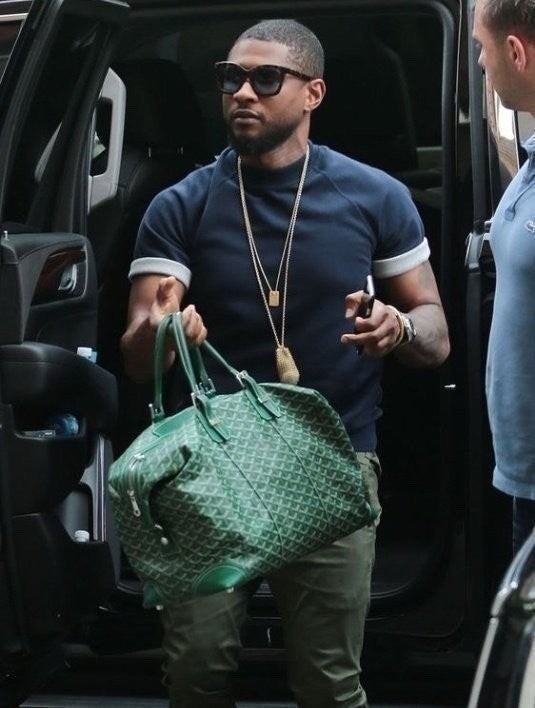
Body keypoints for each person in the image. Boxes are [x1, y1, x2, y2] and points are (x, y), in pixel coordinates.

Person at [121, 18, 450, 708]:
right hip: (211, 467)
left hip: (332, 457)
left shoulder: (373, 196)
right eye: (230, 78)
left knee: (329, 683)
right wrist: (165, 329)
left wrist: (395, 326)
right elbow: (137, 354)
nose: (242, 92)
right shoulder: (181, 204)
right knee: (195, 676)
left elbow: (435, 334)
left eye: (266, 78)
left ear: (312, 93)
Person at [473, 0, 535, 557]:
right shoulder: (530, 162)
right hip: (525, 477)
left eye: (481, 48)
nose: (480, 63)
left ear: (515, 51)